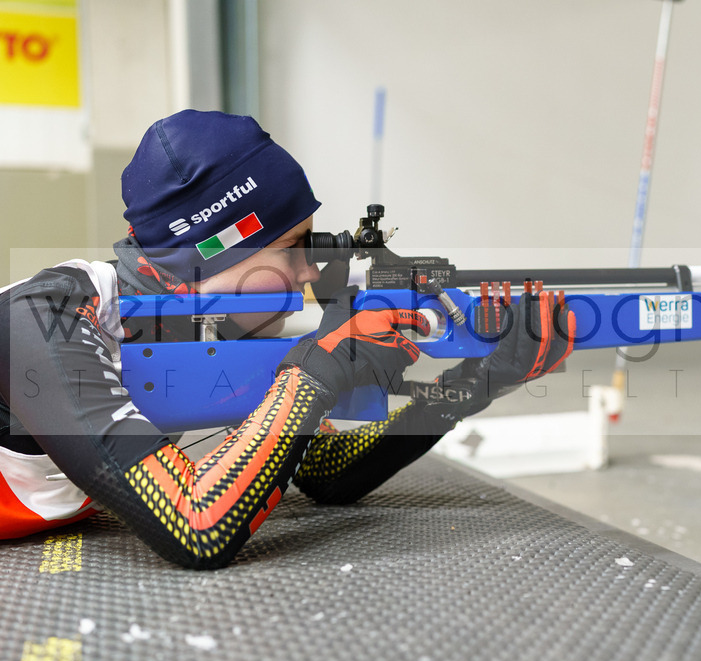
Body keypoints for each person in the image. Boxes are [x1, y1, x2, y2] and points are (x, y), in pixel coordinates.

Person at [0, 109, 574, 569]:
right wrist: (315, 370)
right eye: (293, 246)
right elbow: (194, 526)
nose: (308, 272)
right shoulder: (44, 317)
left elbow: (326, 473)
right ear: (215, 251)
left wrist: (477, 381)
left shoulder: (206, 330)